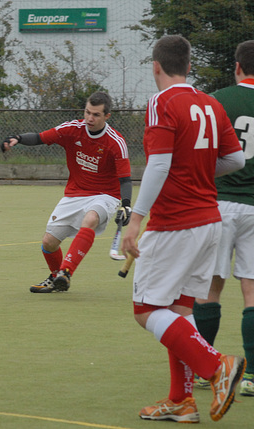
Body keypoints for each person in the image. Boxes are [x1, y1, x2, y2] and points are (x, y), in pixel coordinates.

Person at [121, 35, 246, 423]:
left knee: (146, 310)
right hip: (209, 220)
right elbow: (236, 160)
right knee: (179, 310)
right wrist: (196, 169)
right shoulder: (210, 102)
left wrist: (136, 218)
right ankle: (181, 400)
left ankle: (216, 365)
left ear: (155, 66)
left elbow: (158, 165)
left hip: (175, 222)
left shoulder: (162, 101)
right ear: (189, 66)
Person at [1, 91, 132, 293]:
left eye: (96, 114)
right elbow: (40, 138)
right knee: (49, 242)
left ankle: (66, 272)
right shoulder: (72, 129)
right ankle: (56, 279)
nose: (90, 118)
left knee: (90, 219)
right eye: (88, 112)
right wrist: (17, 138)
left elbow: (125, 179)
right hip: (75, 193)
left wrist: (126, 204)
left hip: (105, 195)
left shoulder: (115, 142)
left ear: (107, 116)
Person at [193, 40, 254, 397]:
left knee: (209, 288)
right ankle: (252, 376)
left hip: (219, 204)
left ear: (236, 66)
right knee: (251, 289)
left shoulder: (216, 101)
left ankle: (205, 370)